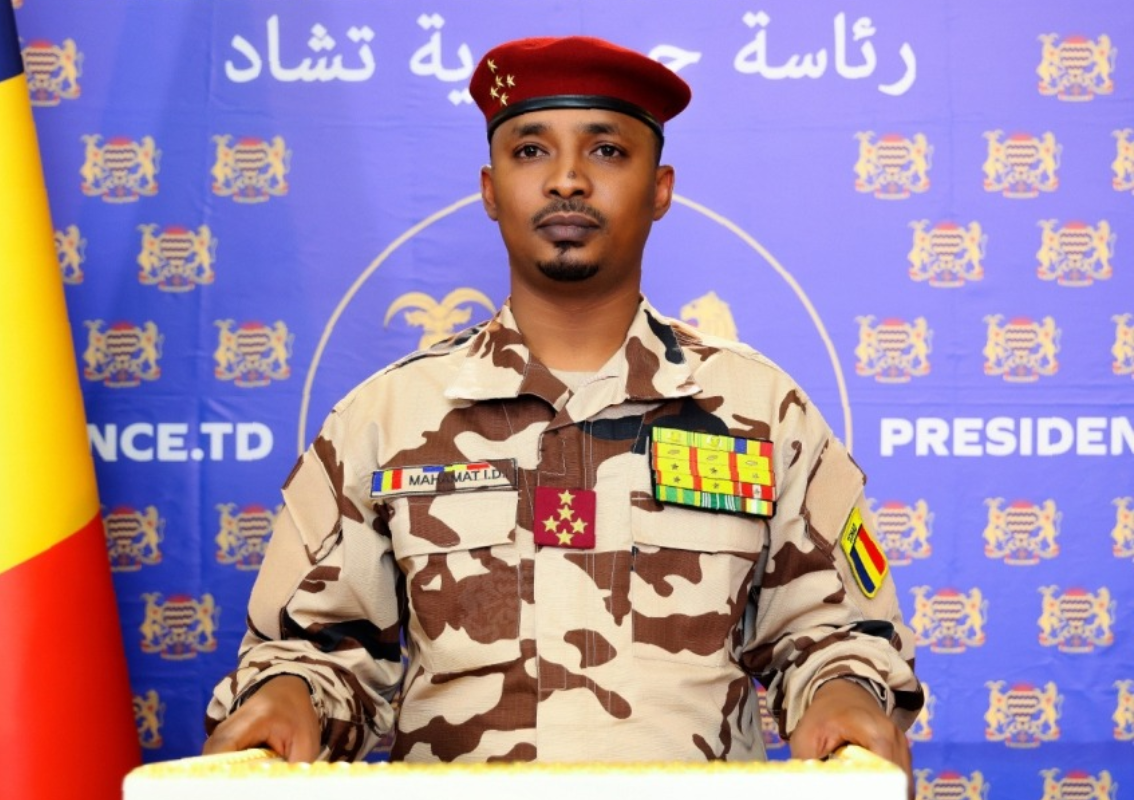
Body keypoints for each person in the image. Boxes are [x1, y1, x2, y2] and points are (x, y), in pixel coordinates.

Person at [204, 35, 922, 776]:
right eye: (531, 151)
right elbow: (314, 650)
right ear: (490, 189)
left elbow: (838, 634)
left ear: (660, 188)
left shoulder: (762, 411)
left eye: (606, 151)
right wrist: (290, 697)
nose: (568, 180)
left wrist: (843, 695)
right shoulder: (384, 419)